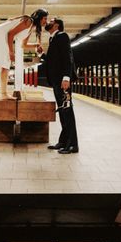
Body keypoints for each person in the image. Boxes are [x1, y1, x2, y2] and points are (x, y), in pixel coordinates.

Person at [41, 17, 79, 154]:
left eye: (50, 20)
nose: (48, 22)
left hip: (63, 82)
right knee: (63, 111)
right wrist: (42, 54)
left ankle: (73, 145)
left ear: (56, 25)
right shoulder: (53, 39)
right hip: (57, 81)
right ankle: (63, 141)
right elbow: (54, 61)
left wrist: (66, 77)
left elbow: (67, 57)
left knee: (67, 112)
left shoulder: (62, 36)